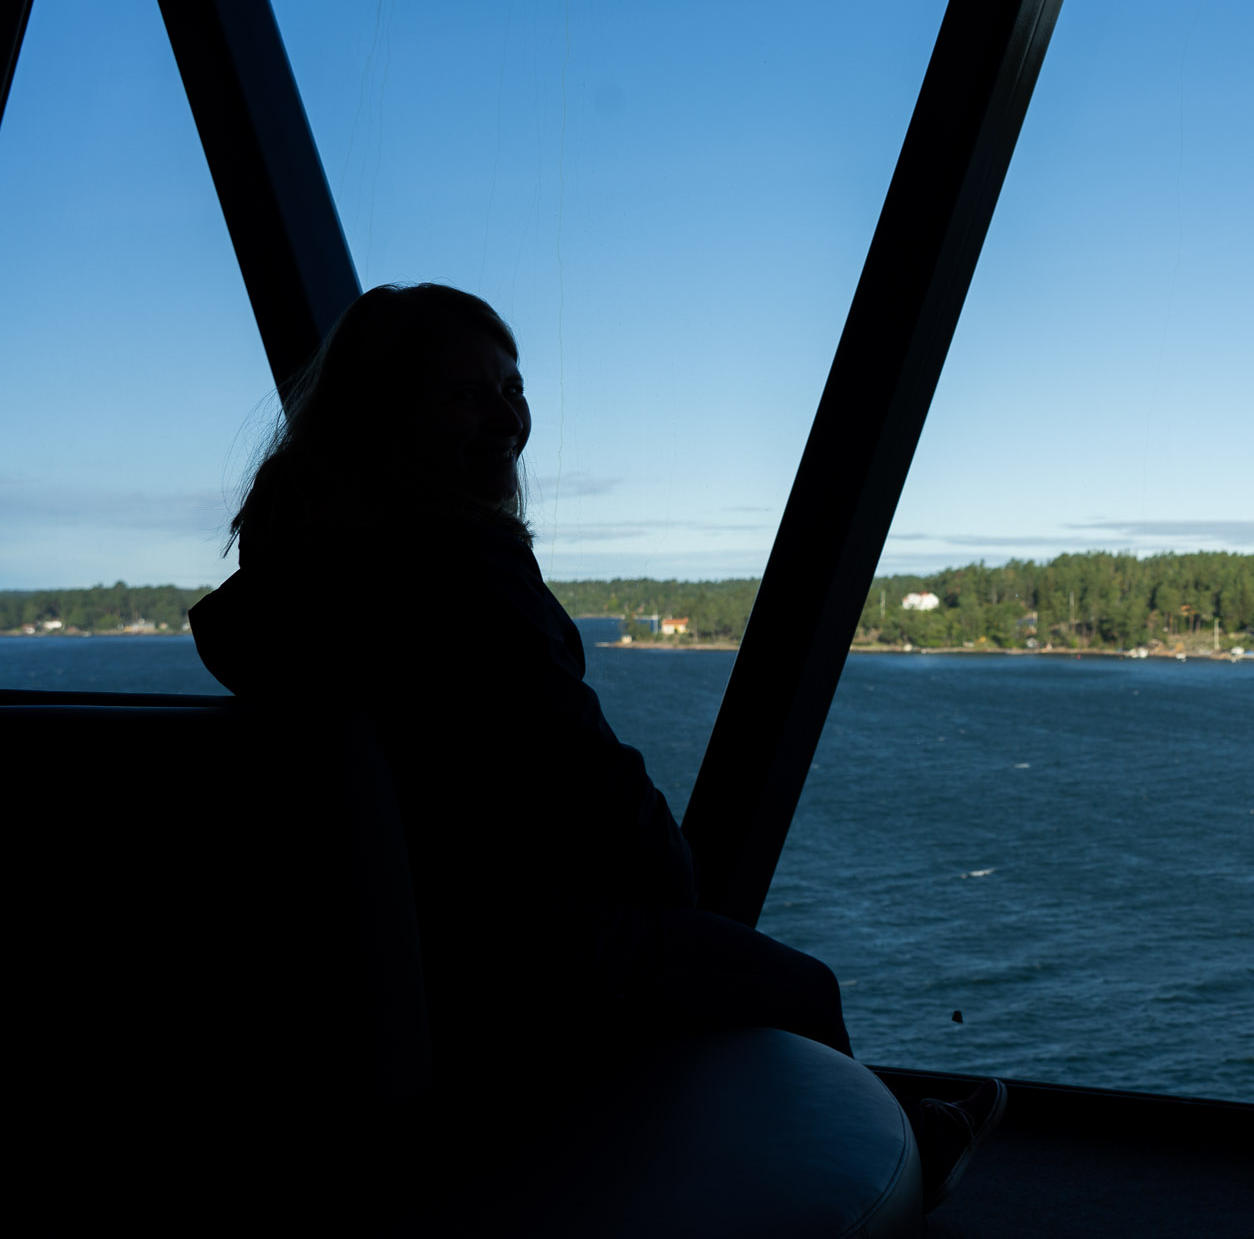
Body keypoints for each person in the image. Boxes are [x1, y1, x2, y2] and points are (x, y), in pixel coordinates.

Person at [190, 283, 1001, 1210]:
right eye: (468, 395)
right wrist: (672, 877)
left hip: (375, 963)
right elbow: (577, 764)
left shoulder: (287, 591)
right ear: (388, 415)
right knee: (802, 989)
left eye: (513, 389)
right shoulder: (467, 576)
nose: (508, 419)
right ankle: (869, 1184)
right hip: (511, 959)